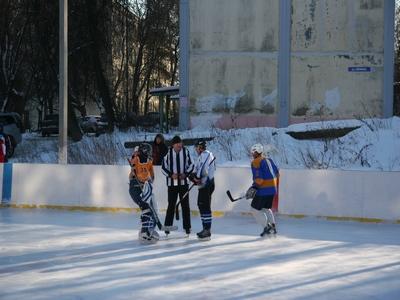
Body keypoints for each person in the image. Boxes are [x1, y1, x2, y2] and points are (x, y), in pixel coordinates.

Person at [161, 135, 194, 236]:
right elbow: (163, 168)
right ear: (173, 145)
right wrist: (171, 175)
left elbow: (192, 165)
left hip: (184, 184)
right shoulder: (168, 153)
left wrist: (186, 174)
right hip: (172, 184)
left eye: (181, 145)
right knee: (171, 205)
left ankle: (187, 228)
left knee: (185, 206)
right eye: (178, 145)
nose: (180, 147)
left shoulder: (186, 152)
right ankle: (167, 227)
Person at [128, 142, 159, 244]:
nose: (150, 152)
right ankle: (144, 232)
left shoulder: (149, 160)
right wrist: (133, 167)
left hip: (144, 188)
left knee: (151, 208)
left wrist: (148, 182)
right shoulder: (136, 158)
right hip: (135, 188)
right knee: (146, 208)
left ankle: (146, 230)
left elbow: (151, 175)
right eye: (148, 150)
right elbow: (132, 173)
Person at [249, 143, 279, 237]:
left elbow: (259, 179)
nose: (252, 153)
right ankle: (273, 227)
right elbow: (277, 173)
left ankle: (267, 227)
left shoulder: (255, 162)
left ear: (257, 152)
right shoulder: (269, 159)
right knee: (266, 208)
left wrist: (253, 187)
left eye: (253, 152)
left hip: (263, 190)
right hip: (272, 189)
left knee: (254, 209)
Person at [191, 140, 216, 241]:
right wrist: (193, 176)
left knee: (204, 206)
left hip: (207, 184)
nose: (196, 149)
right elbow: (196, 168)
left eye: (197, 147)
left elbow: (202, 169)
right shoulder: (202, 156)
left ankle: (207, 230)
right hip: (204, 185)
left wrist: (196, 177)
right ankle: (205, 228)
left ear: (200, 147)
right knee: (201, 205)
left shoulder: (206, 154)